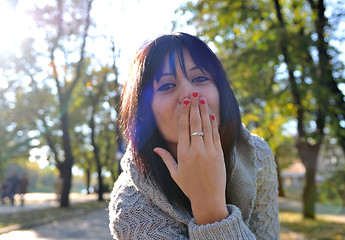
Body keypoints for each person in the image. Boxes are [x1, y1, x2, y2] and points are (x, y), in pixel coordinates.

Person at [109, 32, 279, 239]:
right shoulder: (130, 210)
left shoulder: (256, 154)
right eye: (167, 85)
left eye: (200, 78)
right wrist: (210, 209)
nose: (189, 93)